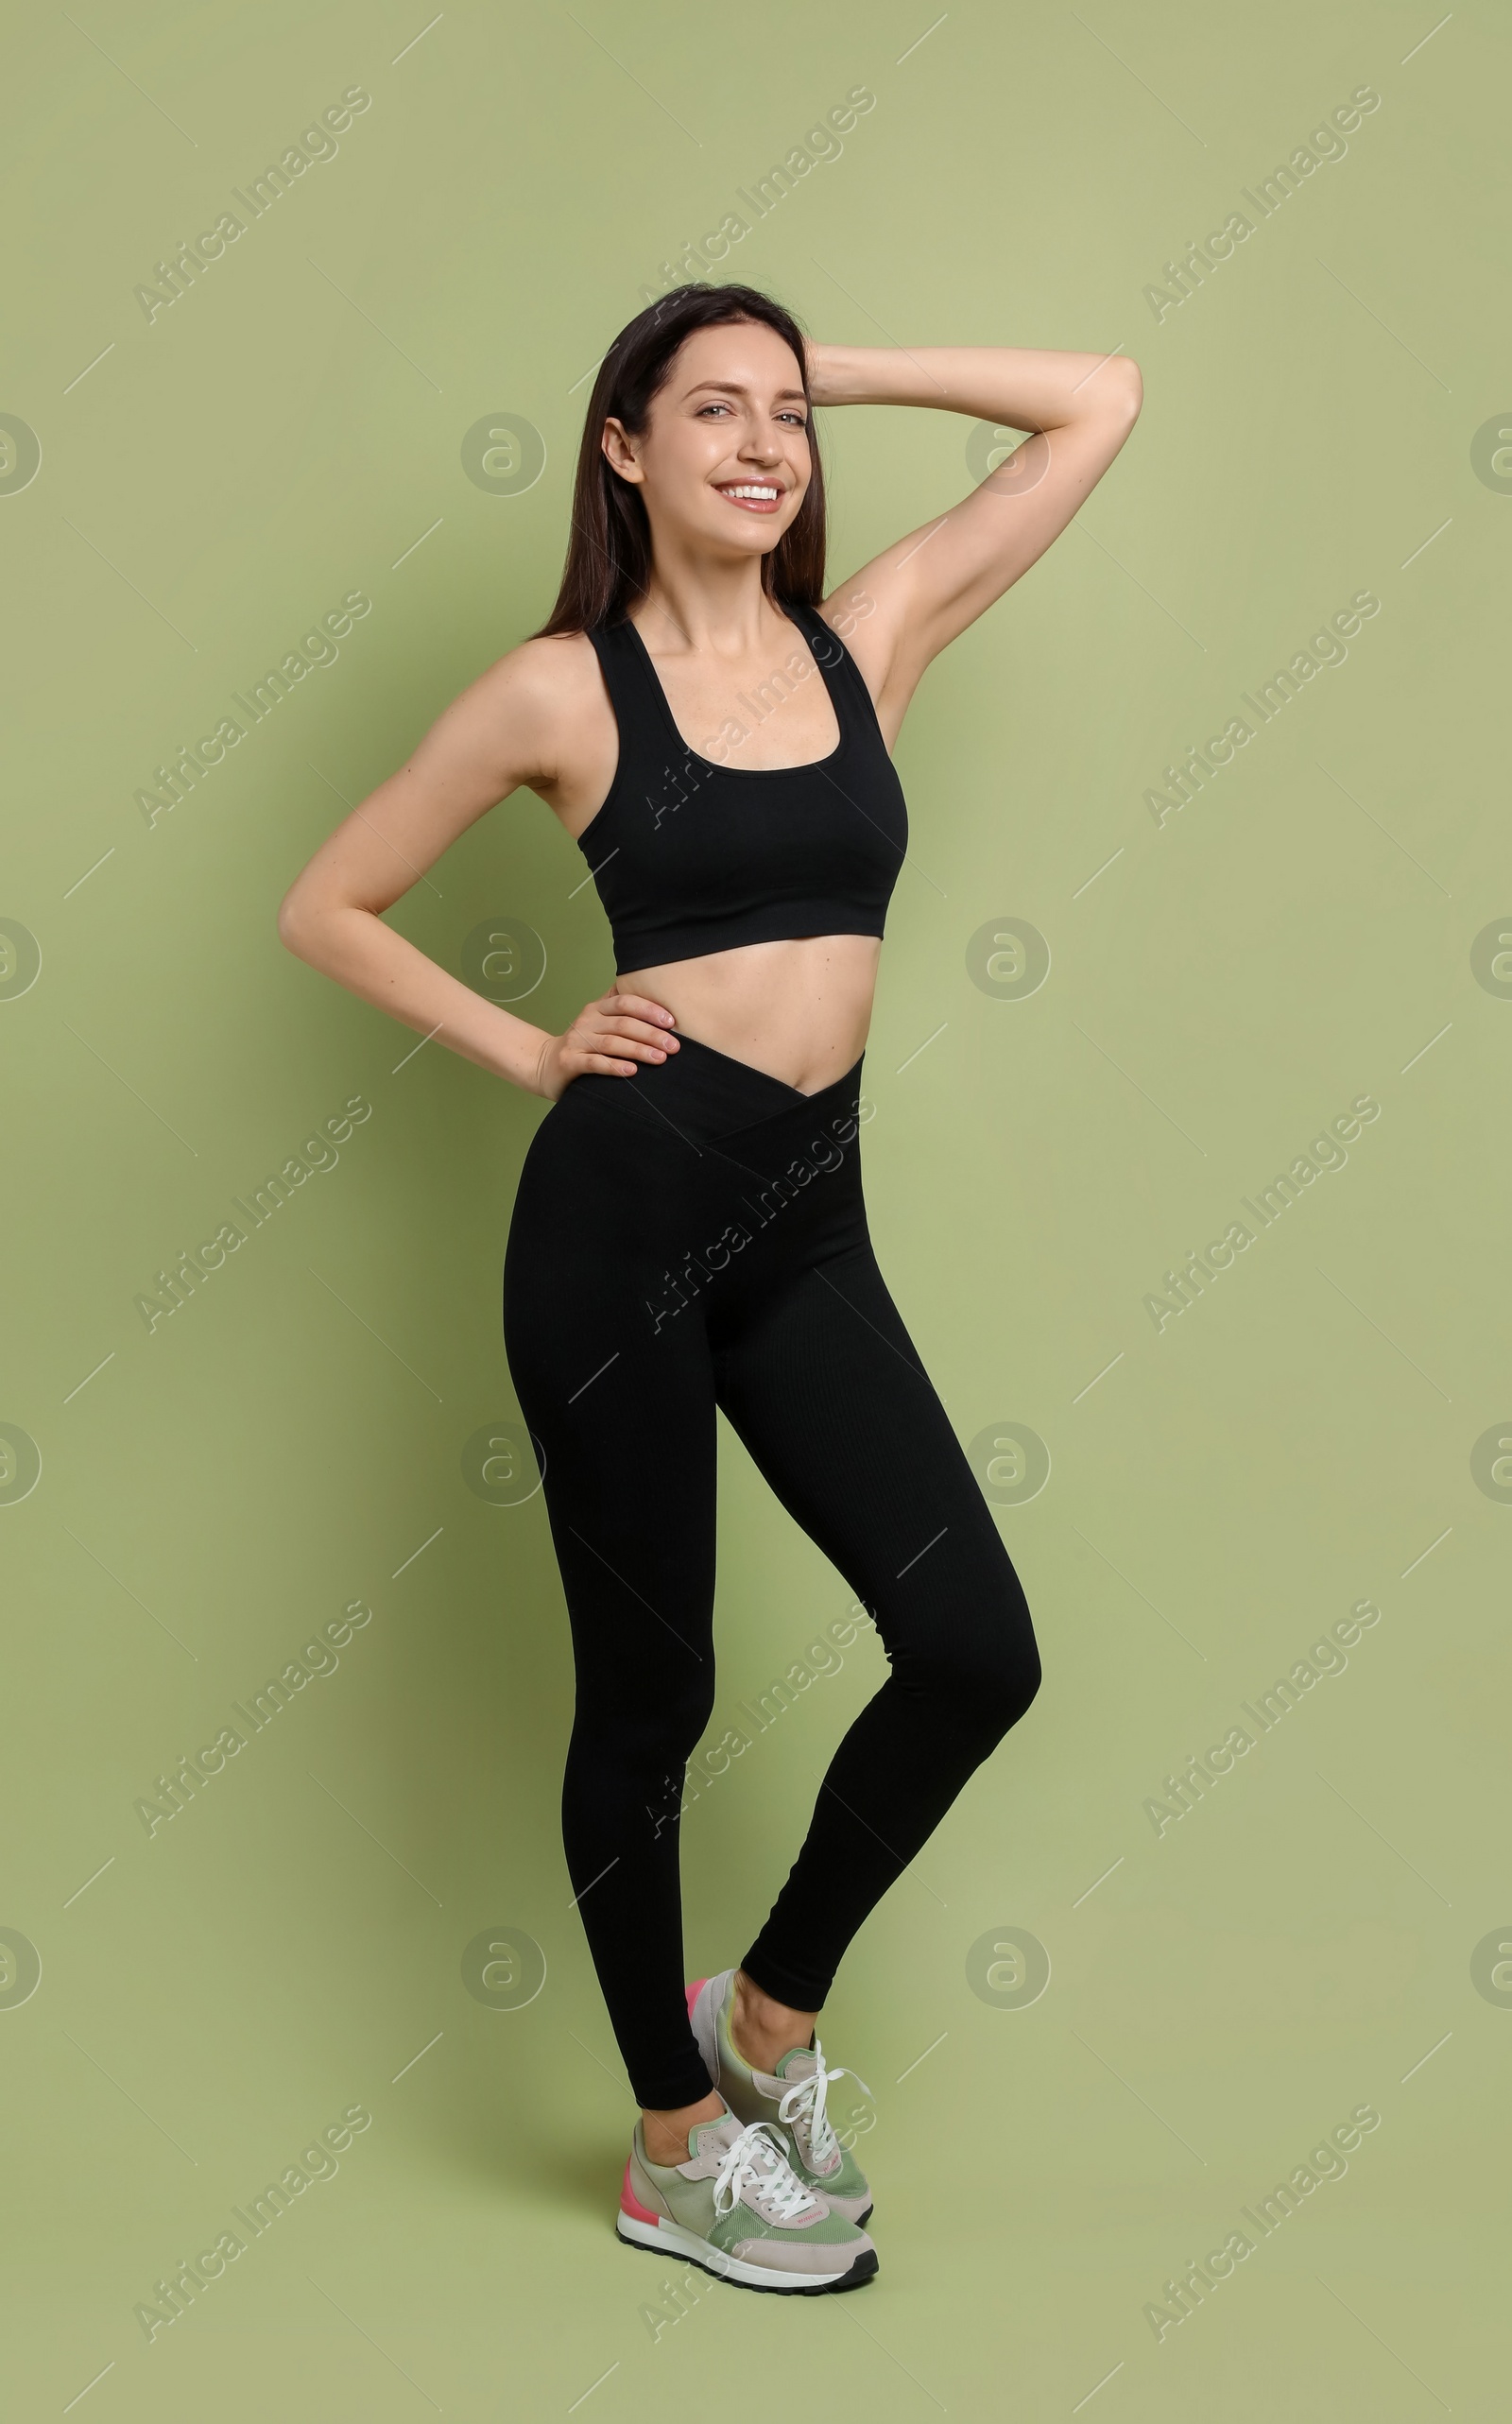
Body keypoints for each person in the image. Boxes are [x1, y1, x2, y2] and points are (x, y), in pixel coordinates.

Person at [278, 283, 1142, 2295]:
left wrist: (821, 362)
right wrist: (525, 1050)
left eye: (785, 418)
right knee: (654, 1689)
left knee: (970, 1643)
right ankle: (670, 2141)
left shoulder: (869, 641)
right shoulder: (558, 689)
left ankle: (763, 2015)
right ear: (620, 445)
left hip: (807, 1222)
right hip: (619, 1223)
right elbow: (325, 898)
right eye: (709, 411)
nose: (760, 445)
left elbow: (1097, 401)